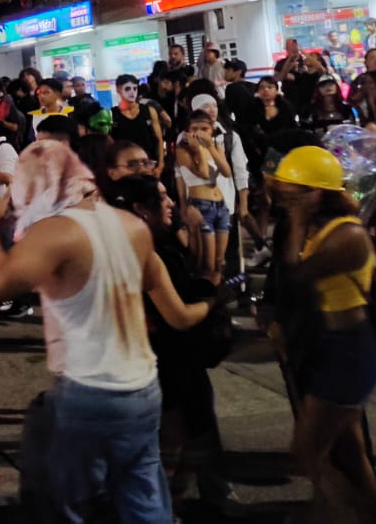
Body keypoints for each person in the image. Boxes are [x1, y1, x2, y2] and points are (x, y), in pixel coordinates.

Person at [0, 142, 212, 523]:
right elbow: (172, 306)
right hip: (142, 387)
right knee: (143, 497)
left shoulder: (57, 232)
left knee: (69, 504)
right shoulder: (131, 226)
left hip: (89, 389)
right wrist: (213, 303)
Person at [104, 174, 239, 512]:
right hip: (164, 358)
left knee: (187, 436)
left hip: (172, 357)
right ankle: (160, 509)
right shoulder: (146, 252)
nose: (170, 203)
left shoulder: (157, 243)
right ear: (141, 208)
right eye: (161, 197)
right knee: (172, 441)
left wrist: (193, 231)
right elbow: (177, 316)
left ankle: (168, 506)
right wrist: (215, 300)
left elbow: (197, 274)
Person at [268, 146, 376, 524]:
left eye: (294, 196)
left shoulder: (347, 234)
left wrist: (297, 221)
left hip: (347, 352)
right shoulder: (318, 227)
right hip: (326, 346)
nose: (286, 203)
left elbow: (297, 275)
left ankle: (350, 514)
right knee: (348, 450)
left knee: (306, 452)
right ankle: (361, 515)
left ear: (318, 193)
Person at [176, 108, 238, 283]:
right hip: (201, 206)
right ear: (188, 131)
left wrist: (210, 146)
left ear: (212, 129)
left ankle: (218, 293)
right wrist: (198, 150)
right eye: (194, 128)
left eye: (204, 129)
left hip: (221, 205)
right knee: (207, 264)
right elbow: (203, 173)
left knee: (219, 261)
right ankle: (206, 295)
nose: (199, 133)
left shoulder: (216, 146)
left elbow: (227, 172)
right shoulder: (183, 150)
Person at [111, 74, 165, 177]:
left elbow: (159, 139)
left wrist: (160, 164)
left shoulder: (149, 111)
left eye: (135, 88)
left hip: (148, 163)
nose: (132, 92)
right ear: (119, 90)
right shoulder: (112, 114)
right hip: (126, 166)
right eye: (127, 89)